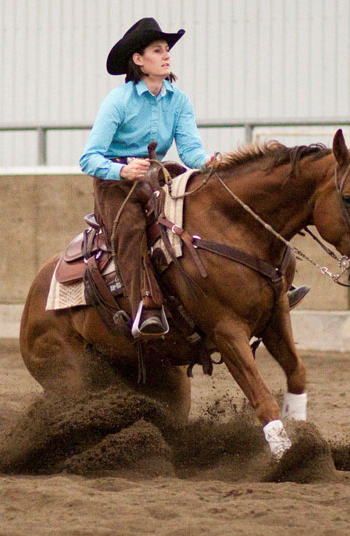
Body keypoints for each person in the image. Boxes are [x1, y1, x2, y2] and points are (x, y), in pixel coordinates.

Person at [80, 18, 309, 339]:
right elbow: (88, 158)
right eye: (157, 50)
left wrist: (210, 162)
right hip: (116, 183)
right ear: (138, 59)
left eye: (167, 50)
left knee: (205, 210)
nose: (166, 55)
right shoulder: (118, 102)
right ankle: (144, 307)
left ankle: (271, 286)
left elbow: (190, 151)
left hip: (157, 174)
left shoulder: (178, 100)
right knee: (132, 228)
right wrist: (121, 170)